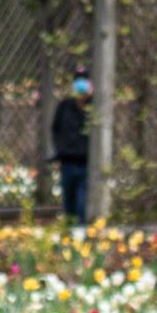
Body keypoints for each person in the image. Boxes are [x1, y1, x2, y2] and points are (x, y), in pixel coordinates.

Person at [46, 72, 92, 223]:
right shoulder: (65, 106)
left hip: (86, 163)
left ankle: (81, 231)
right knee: (69, 203)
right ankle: (70, 234)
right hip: (67, 162)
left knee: (82, 203)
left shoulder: (93, 108)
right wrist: (60, 151)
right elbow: (56, 129)